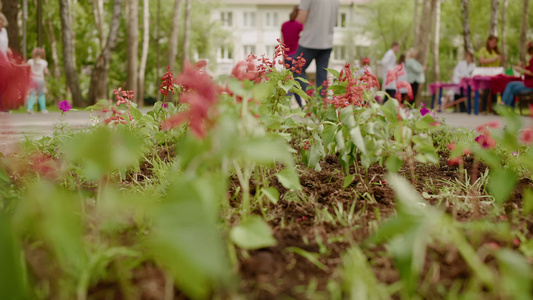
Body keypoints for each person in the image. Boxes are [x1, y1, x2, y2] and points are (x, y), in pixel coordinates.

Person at [295, 0, 339, 100]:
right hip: (327, 42)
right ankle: (320, 108)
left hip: (309, 41)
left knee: (296, 69)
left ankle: (311, 99)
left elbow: (301, 18)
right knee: (322, 79)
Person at [281, 5, 304, 107]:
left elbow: (282, 42)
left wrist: (283, 57)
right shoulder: (300, 25)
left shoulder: (284, 25)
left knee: (290, 81)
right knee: (295, 82)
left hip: (286, 57)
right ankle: (289, 104)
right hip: (296, 56)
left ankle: (300, 106)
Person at [501, 42, 533, 108]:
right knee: (510, 85)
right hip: (528, 83)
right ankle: (506, 106)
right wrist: (523, 67)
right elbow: (529, 69)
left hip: (530, 85)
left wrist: (520, 70)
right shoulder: (531, 60)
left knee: (511, 87)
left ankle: (504, 105)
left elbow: (531, 73)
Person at [27, 47, 49, 114]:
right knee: (41, 94)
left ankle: (29, 108)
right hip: (40, 80)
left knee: (32, 94)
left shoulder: (30, 61)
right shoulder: (44, 62)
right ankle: (43, 109)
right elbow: (46, 72)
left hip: (33, 79)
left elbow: (27, 70)